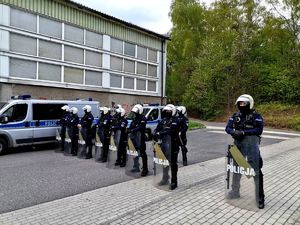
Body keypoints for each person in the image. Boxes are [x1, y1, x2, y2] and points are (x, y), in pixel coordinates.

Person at [225, 94, 265, 209]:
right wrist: (233, 132)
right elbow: (227, 128)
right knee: (237, 169)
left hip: (251, 146)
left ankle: (259, 197)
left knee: (256, 171)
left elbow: (259, 129)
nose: (241, 105)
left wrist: (244, 133)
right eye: (240, 103)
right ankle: (235, 191)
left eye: (244, 103)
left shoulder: (256, 116)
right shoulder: (235, 115)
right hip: (238, 146)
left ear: (249, 104)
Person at [153, 104, 180, 190]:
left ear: (173, 112)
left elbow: (170, 131)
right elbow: (158, 128)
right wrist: (155, 133)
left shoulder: (176, 120)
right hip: (164, 145)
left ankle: (174, 181)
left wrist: (160, 133)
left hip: (173, 145)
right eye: (166, 111)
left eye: (169, 111)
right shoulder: (163, 120)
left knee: (173, 164)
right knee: (164, 162)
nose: (167, 113)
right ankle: (165, 179)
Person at [128, 104, 149, 177]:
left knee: (143, 154)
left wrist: (134, 129)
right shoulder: (135, 118)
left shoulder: (143, 118)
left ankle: (145, 169)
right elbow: (131, 125)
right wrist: (129, 129)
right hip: (134, 138)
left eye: (136, 112)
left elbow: (141, 127)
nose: (135, 113)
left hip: (141, 138)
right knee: (134, 153)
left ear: (139, 111)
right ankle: (136, 167)